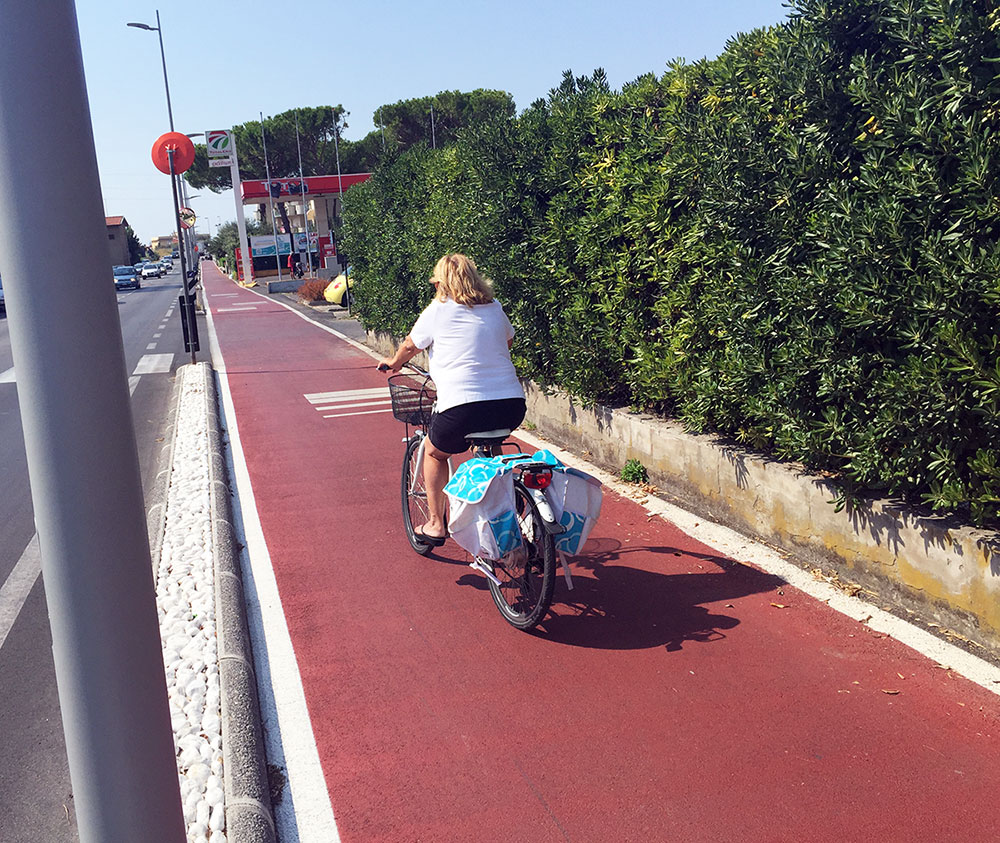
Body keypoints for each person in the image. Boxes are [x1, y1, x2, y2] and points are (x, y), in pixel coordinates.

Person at [379, 254, 526, 546]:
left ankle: (435, 524)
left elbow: (410, 344)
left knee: (435, 452)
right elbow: (508, 341)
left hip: (462, 407)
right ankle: (501, 502)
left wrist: (395, 363)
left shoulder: (438, 310)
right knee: (491, 440)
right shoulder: (495, 308)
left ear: (441, 284)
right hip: (511, 405)